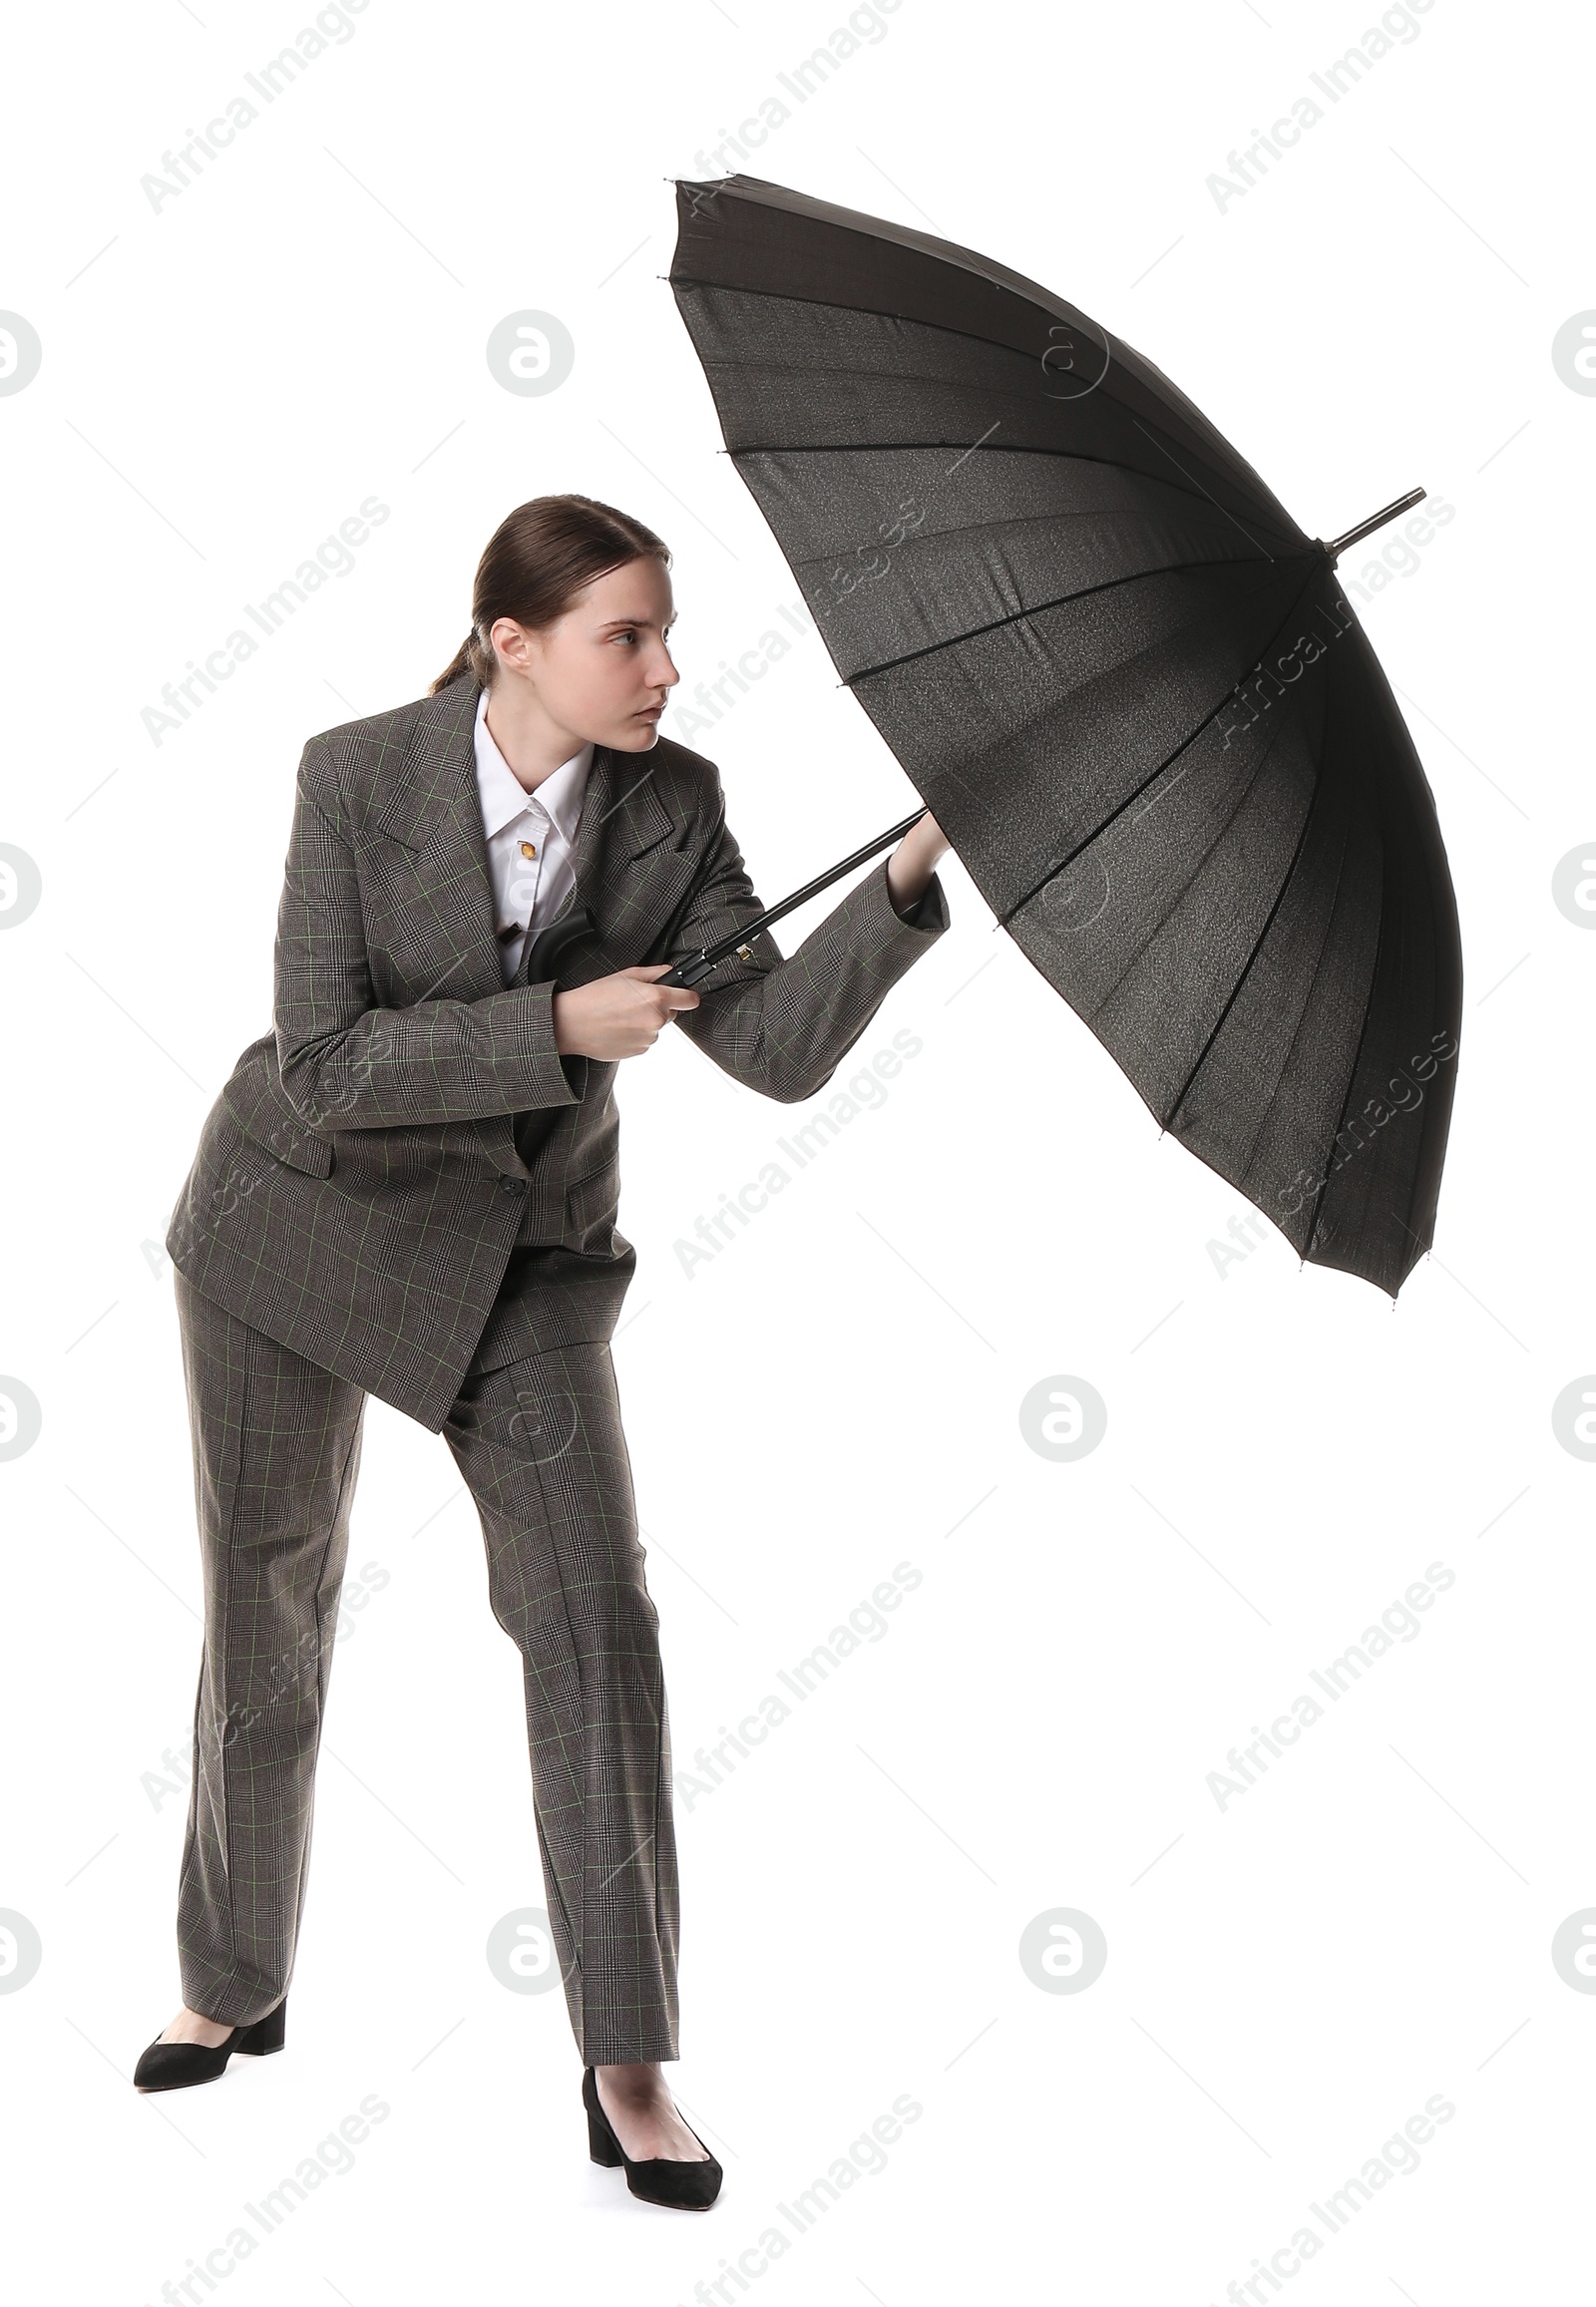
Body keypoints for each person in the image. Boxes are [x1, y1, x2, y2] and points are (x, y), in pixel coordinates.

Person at [133, 493, 951, 2209]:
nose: (665, 666)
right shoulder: (352, 775)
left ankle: (629, 2057)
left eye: (664, 632)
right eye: (625, 635)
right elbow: (329, 1055)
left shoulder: (679, 806)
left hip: (523, 1264)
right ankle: (232, 1975)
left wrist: (908, 873)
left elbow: (778, 1049)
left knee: (596, 1620)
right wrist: (554, 1026)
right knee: (265, 1600)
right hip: (297, 1223)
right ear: (513, 641)